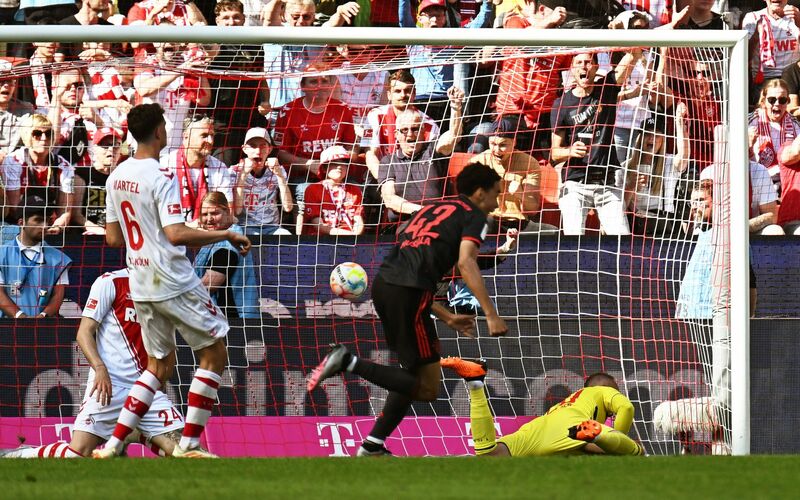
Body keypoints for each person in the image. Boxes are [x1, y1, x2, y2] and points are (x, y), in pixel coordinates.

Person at [307, 163, 509, 456]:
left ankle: (372, 445)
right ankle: (347, 361)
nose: (496, 202)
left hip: (388, 287)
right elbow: (466, 263)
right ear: (480, 193)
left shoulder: (430, 210)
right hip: (409, 294)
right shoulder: (475, 217)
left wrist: (447, 315)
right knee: (427, 389)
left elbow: (414, 265)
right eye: (496, 194)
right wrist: (491, 313)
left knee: (411, 373)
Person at [94, 103, 251, 459]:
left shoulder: (116, 177)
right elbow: (177, 234)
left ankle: (114, 444)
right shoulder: (161, 177)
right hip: (173, 279)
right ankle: (191, 445)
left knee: (158, 366)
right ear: (160, 132)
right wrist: (226, 233)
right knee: (214, 353)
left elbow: (114, 239)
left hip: (140, 282)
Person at [0, 269, 188, 458]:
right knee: (78, 453)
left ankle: (136, 432)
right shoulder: (111, 282)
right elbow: (84, 332)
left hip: (147, 389)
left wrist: (160, 382)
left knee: (185, 453)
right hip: (109, 386)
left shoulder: (168, 289)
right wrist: (99, 368)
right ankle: (24, 454)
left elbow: (168, 346)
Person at [442, 362, 644, 456]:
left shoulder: (568, 402)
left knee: (489, 454)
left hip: (540, 428)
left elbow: (583, 444)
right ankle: (628, 449)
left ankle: (476, 384)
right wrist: (623, 442)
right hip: (573, 426)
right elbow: (626, 407)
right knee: (635, 452)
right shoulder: (601, 390)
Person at [550, 51, 638, 235]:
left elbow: (632, 56)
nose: (583, 66)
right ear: (572, 69)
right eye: (579, 62)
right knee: (573, 241)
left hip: (606, 182)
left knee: (622, 240)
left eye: (588, 62)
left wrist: (629, 42)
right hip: (575, 183)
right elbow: (554, 154)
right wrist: (570, 151)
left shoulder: (606, 88)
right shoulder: (561, 103)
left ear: (596, 67)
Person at [378, 92, 464, 230]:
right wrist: (423, 211)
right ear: (396, 135)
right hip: (405, 223)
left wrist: (455, 107)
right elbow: (390, 199)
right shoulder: (388, 161)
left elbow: (453, 137)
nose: (410, 134)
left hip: (439, 221)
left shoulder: (433, 150)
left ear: (423, 130)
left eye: (415, 129)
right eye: (404, 130)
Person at [618, 106, 690, 237]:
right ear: (640, 139)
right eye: (648, 134)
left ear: (662, 140)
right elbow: (618, 209)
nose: (652, 138)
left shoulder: (669, 162)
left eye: (657, 135)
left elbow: (684, 155)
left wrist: (680, 123)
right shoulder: (624, 168)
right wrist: (631, 187)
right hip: (637, 229)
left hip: (663, 230)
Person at [466, 118, 546, 234]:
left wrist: (520, 193)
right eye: (493, 144)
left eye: (503, 145)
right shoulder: (477, 162)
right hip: (487, 220)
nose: (497, 150)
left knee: (553, 232)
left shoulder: (530, 163)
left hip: (518, 223)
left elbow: (532, 209)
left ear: (514, 142)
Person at [1, 113, 73, 232]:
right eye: (37, 134)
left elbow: (65, 212)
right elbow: (14, 208)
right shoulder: (13, 161)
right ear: (26, 136)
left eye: (48, 134)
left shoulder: (64, 166)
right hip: (18, 224)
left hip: (51, 226)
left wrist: (57, 227)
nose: (44, 138)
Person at [0, 196, 70, 318]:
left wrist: (43, 316)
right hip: (7, 328)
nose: (44, 226)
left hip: (43, 328)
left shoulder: (59, 259)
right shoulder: (2, 254)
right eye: (38, 220)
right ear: (21, 223)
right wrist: (20, 316)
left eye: (47, 220)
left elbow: (58, 295)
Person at [194, 191, 260, 319]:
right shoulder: (220, 237)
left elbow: (207, 287)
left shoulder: (227, 246)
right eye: (204, 214)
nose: (209, 219)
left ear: (228, 211)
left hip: (234, 321)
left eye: (214, 213)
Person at [161, 115, 235, 224]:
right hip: (173, 230)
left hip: (209, 229)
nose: (210, 141)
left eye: (212, 136)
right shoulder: (165, 165)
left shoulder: (219, 167)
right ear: (186, 137)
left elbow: (228, 212)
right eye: (204, 135)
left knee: (236, 230)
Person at [232, 127, 293, 236]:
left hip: (272, 227)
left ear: (269, 149)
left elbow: (288, 207)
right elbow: (237, 211)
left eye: (263, 146)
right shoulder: (233, 171)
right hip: (246, 227)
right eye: (253, 146)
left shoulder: (278, 169)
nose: (258, 151)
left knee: (287, 236)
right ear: (244, 149)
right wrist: (243, 175)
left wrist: (280, 176)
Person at [748, 79, 800, 196]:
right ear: (763, 101)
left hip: (786, 181)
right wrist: (748, 145)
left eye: (782, 100)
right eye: (772, 100)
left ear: (787, 102)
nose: (777, 104)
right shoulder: (751, 121)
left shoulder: (794, 123)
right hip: (757, 181)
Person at [299, 145, 365, 235]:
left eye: (344, 163)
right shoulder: (313, 189)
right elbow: (317, 224)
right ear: (324, 168)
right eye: (334, 163)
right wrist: (348, 235)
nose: (339, 167)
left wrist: (355, 235)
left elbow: (358, 220)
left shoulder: (355, 191)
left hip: (350, 240)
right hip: (320, 240)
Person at [72, 127, 123, 235]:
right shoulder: (82, 175)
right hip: (87, 237)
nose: (111, 149)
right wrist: (99, 230)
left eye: (116, 145)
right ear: (94, 149)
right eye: (105, 145)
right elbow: (76, 215)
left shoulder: (124, 177)